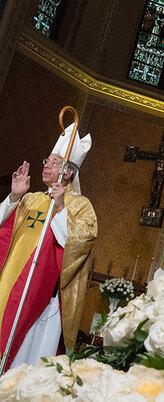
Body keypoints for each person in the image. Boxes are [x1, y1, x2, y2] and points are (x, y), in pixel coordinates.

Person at [0, 124, 97, 370]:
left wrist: (62, 208)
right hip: (8, 286)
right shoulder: (31, 199)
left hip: (43, 301)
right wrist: (13, 197)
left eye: (54, 162)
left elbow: (80, 242)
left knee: (23, 363)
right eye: (47, 160)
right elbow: (4, 229)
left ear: (69, 173)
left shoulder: (80, 205)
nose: (45, 165)